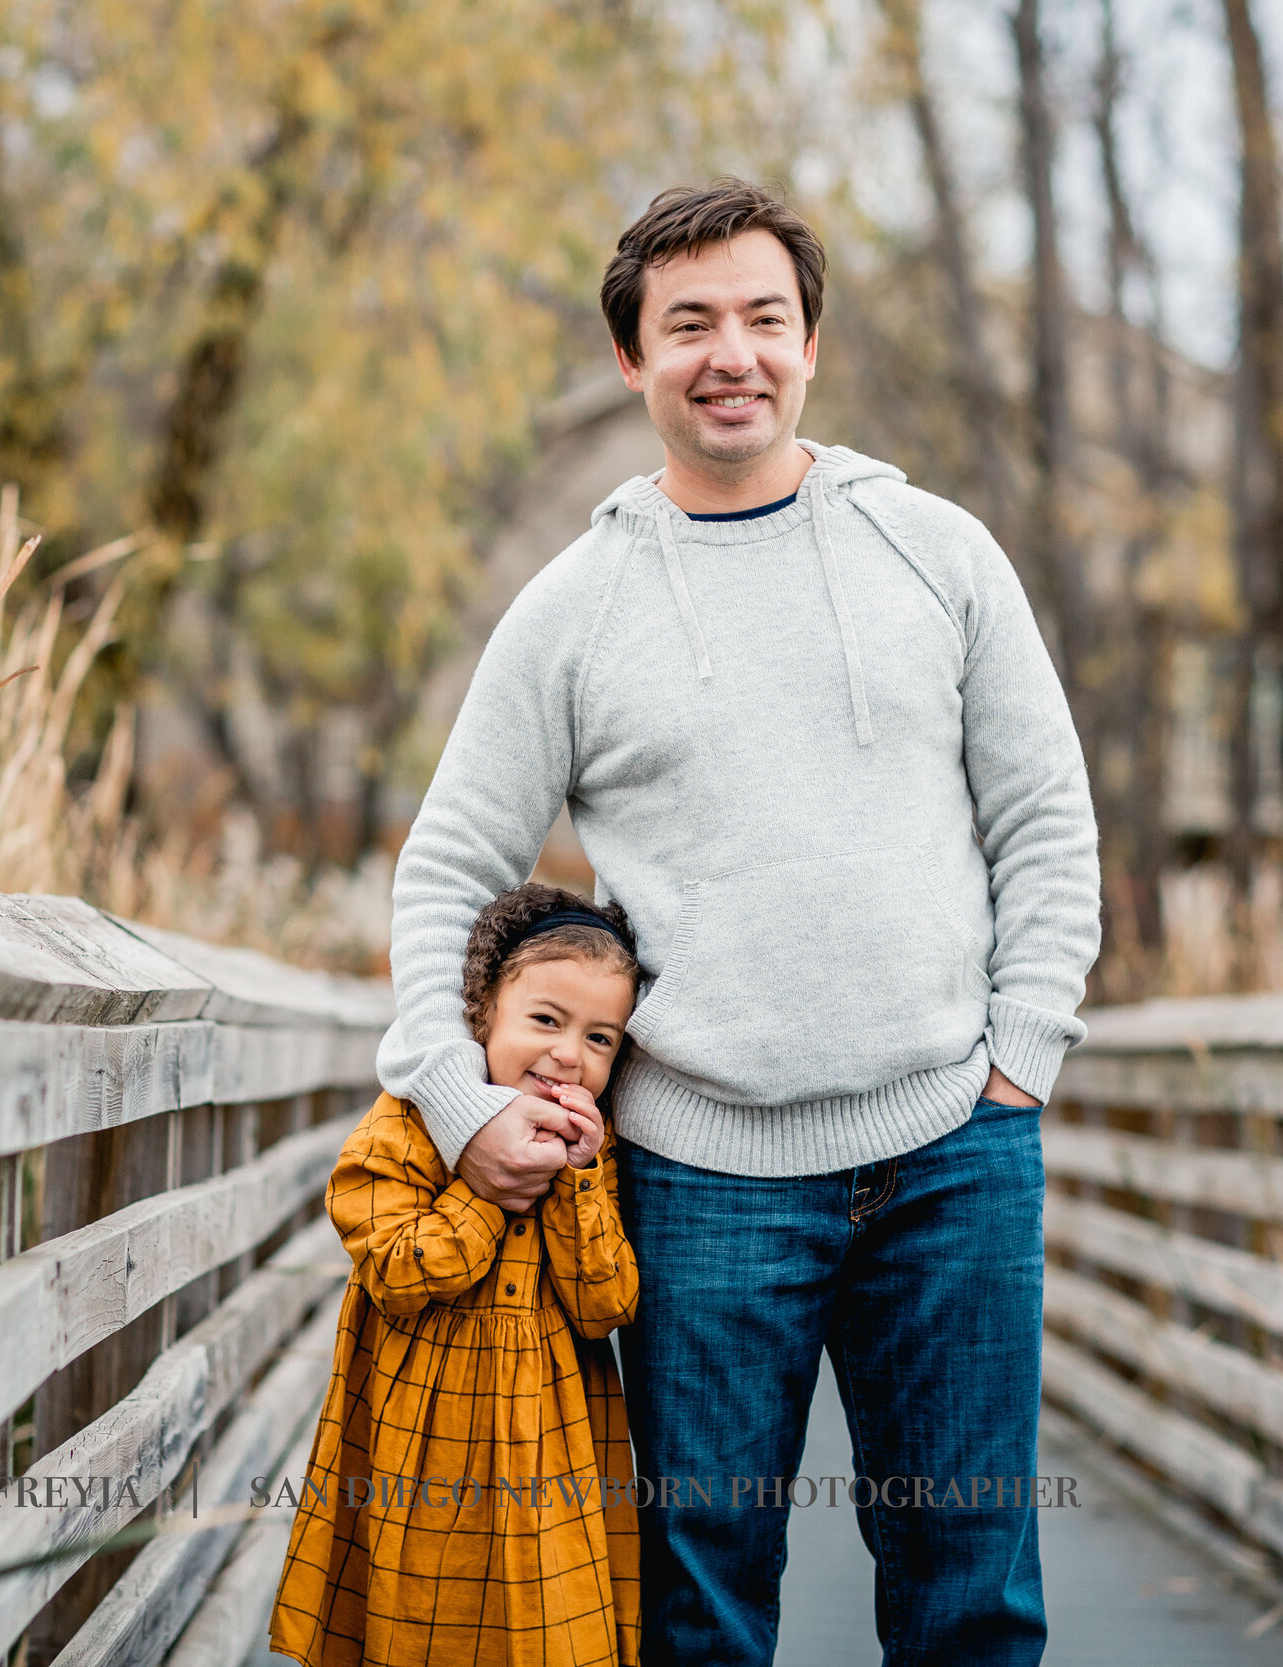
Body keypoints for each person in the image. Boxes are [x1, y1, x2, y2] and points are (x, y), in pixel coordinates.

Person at [375, 179, 1101, 1665]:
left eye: (765, 318)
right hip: (701, 1174)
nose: (733, 354)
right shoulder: (575, 606)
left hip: (953, 1151)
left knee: (973, 1586)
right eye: (688, 323)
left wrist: (1021, 1053)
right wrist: (456, 1100)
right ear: (634, 361)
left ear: (811, 341)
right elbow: (449, 863)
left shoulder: (940, 553)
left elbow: (1047, 822)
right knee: (700, 1595)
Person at [270, 884, 644, 1667]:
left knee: (549, 1630)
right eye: (546, 1019)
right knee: (422, 1616)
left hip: (545, 1448)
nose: (570, 1054)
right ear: (481, 1012)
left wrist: (575, 1181)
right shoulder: (407, 1122)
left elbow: (605, 1304)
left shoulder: (596, 1157)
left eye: (601, 1038)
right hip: (423, 1443)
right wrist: (483, 1192)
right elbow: (395, 1270)